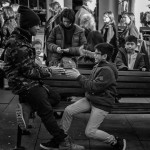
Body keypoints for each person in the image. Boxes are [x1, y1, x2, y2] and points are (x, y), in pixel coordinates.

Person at [3, 5, 84, 150]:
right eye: (36, 25)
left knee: (55, 97)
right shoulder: (18, 44)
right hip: (23, 84)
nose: (38, 28)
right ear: (28, 26)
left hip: (30, 81)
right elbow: (28, 71)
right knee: (45, 108)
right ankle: (63, 141)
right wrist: (49, 72)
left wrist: (46, 69)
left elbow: (31, 66)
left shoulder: (23, 40)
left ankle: (27, 107)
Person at [61, 43, 126, 150]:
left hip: (102, 103)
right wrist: (84, 56)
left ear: (104, 56)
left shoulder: (107, 70)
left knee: (90, 132)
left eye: (97, 54)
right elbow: (92, 83)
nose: (94, 55)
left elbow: (93, 87)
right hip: (91, 99)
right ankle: (61, 139)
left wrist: (78, 76)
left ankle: (115, 141)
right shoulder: (100, 64)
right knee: (68, 110)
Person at [43, 1, 62, 65]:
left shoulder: (59, 19)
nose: (49, 11)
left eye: (50, 9)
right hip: (49, 46)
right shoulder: (51, 18)